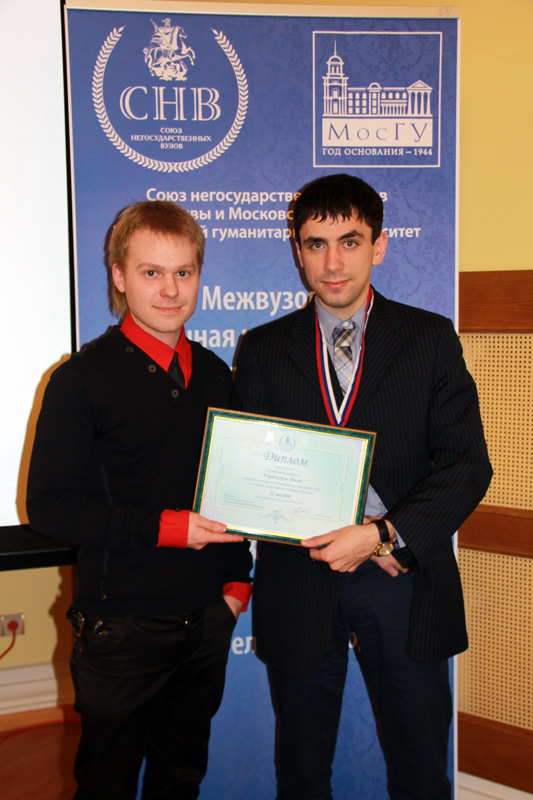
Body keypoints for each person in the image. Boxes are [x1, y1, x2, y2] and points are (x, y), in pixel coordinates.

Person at [233, 174, 492, 799]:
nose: (332, 262)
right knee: (300, 773)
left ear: (379, 245)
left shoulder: (429, 338)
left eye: (349, 242)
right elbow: (250, 475)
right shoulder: (262, 348)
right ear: (297, 251)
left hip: (400, 575)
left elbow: (467, 464)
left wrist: (382, 535)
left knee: (420, 769)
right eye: (315, 244)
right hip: (300, 575)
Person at [27, 200, 252, 800]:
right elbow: (48, 506)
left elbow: (231, 489)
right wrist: (166, 529)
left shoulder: (217, 375)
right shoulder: (79, 380)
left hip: (206, 619)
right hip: (119, 628)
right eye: (152, 272)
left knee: (181, 780)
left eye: (183, 272)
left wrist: (237, 586)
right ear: (119, 277)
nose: (170, 289)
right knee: (107, 786)